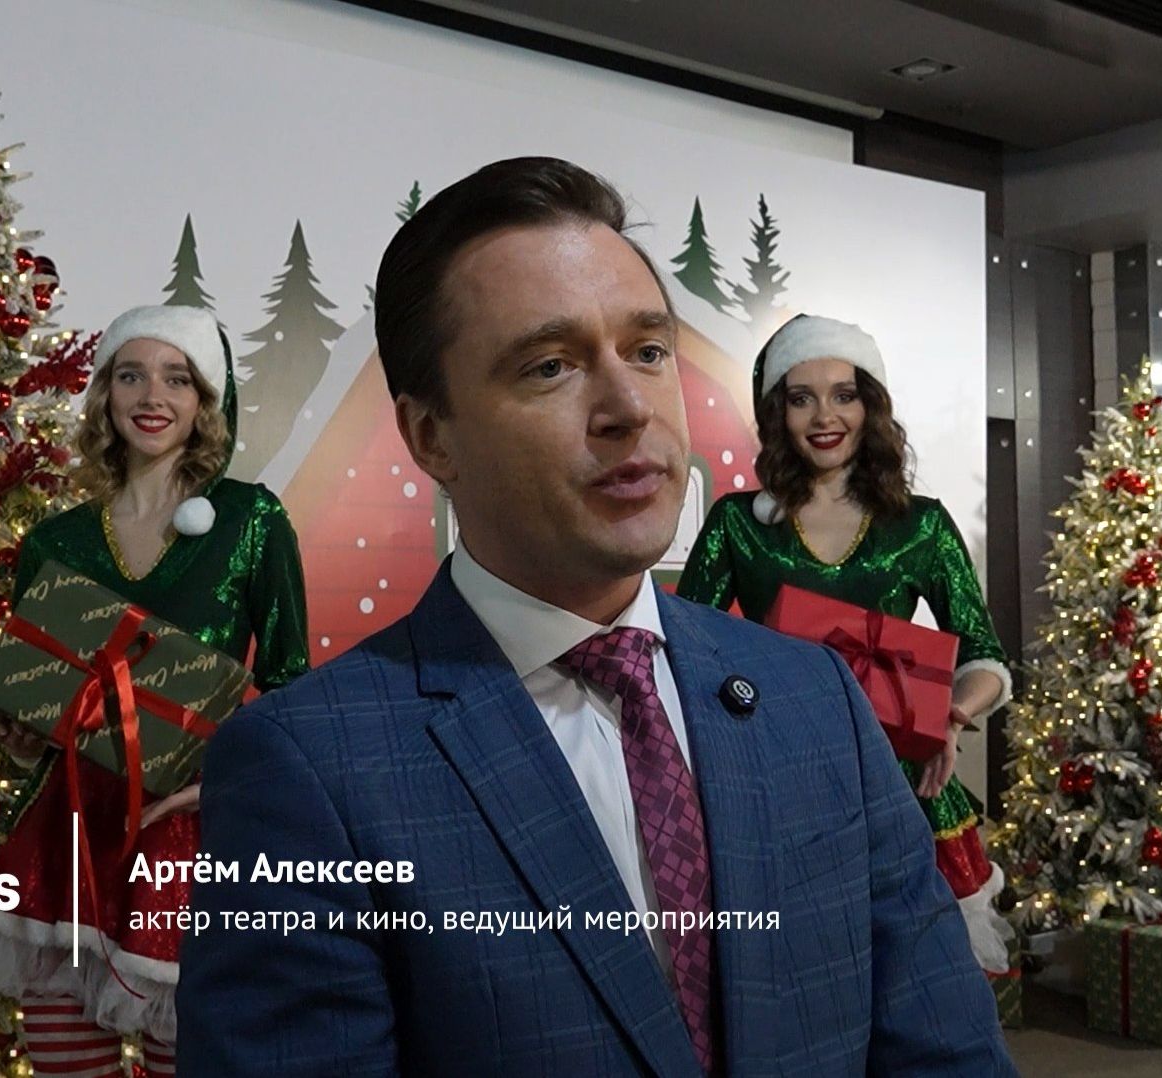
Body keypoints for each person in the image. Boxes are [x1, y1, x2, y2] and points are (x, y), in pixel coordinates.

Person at [178, 158, 1014, 1076]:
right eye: (550, 366)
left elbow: (945, 1052)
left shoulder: (817, 701)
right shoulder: (307, 770)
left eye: (648, 351)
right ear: (430, 435)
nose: (629, 407)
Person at [0, 305, 308, 1078]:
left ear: (205, 401)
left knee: (198, 1059)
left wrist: (228, 784)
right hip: (68, 834)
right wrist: (17, 732)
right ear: (105, 394)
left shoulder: (250, 520)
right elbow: (38, 697)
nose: (152, 396)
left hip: (194, 837)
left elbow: (291, 686)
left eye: (177, 378)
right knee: (66, 1060)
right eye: (131, 375)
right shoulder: (57, 541)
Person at [675, 314, 1016, 973]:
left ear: (870, 407)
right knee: (796, 973)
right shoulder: (737, 525)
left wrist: (949, 716)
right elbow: (684, 652)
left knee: (919, 979)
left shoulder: (921, 525)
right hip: (776, 779)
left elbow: (984, 656)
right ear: (778, 413)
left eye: (844, 394)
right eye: (801, 398)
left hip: (904, 783)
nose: (824, 416)